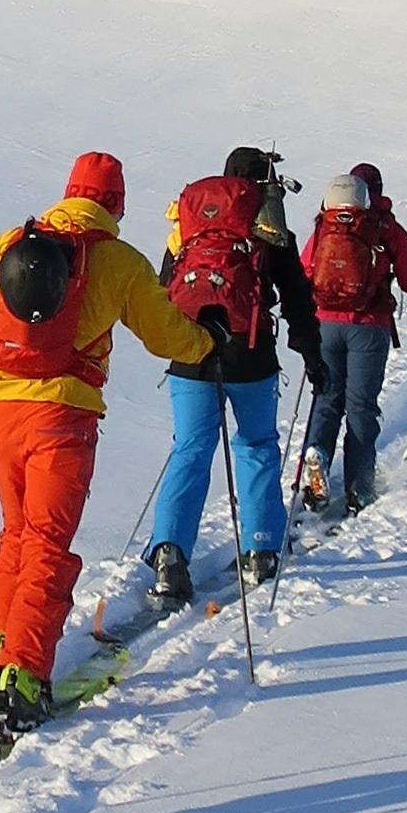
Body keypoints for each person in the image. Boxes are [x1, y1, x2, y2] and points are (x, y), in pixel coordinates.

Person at [0, 154, 215, 742]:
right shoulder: (118, 261)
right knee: (47, 542)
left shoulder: (9, 245)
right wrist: (205, 343)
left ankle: (3, 649)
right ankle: (24, 677)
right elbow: (165, 334)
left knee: (17, 531)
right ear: (116, 204)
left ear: (68, 192)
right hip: (63, 413)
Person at [146, 148, 322, 605]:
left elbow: (164, 289)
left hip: (189, 353)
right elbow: (297, 299)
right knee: (256, 445)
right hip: (250, 354)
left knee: (190, 448)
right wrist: (312, 355)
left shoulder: (188, 227)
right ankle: (261, 548)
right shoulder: (270, 227)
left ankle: (169, 555)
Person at [300, 165, 407, 515]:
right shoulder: (383, 226)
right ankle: (359, 489)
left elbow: (305, 270)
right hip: (369, 328)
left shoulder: (326, 225)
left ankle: (317, 455)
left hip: (325, 324)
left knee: (327, 399)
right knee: (361, 407)